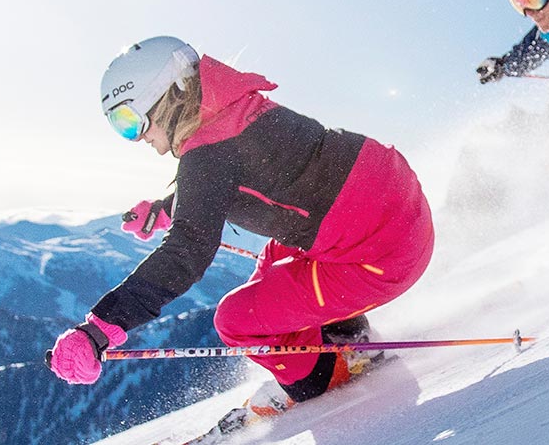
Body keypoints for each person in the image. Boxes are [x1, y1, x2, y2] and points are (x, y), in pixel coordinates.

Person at [46, 36, 435, 425]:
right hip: (398, 209)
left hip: (383, 255)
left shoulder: (208, 157)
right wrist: (169, 210)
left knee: (238, 320)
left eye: (130, 121)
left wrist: (98, 329)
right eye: (121, 127)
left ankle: (325, 374)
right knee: (271, 263)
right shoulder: (236, 106)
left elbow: (186, 252)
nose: (139, 136)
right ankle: (344, 335)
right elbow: (251, 173)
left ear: (168, 98)